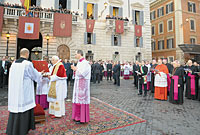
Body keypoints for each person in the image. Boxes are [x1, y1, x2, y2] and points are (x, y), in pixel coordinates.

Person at [6, 48, 43, 135]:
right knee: (24, 107)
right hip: (24, 90)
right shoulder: (27, 64)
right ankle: (23, 129)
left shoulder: (14, 63)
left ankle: (12, 128)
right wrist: (40, 74)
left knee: (16, 107)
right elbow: (34, 75)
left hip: (15, 90)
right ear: (27, 54)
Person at [71, 50, 91, 124]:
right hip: (78, 84)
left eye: (76, 54)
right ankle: (77, 117)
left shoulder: (85, 63)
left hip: (82, 85)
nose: (75, 55)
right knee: (77, 101)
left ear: (80, 54)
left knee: (81, 101)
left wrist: (75, 69)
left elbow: (82, 73)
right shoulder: (80, 62)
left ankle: (82, 118)